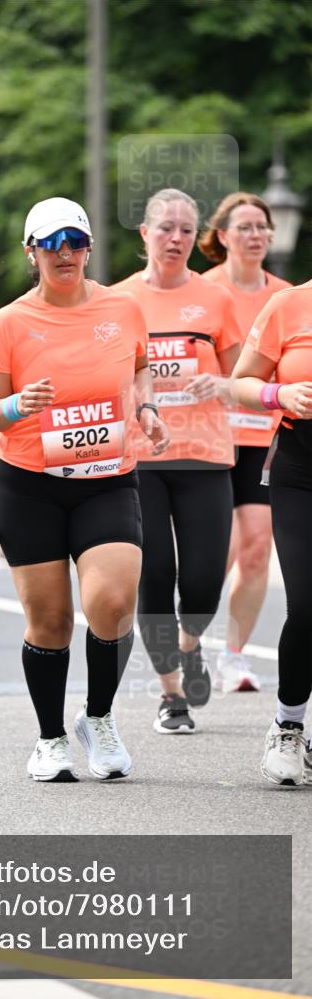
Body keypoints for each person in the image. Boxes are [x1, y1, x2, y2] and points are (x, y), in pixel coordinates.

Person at [0, 196, 169, 782]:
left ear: (88, 248)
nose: (65, 253)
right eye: (51, 243)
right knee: (52, 619)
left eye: (75, 242)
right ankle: (50, 739)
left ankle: (99, 719)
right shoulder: (9, 321)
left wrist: (148, 406)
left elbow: (138, 365)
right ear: (31, 253)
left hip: (106, 478)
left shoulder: (123, 307)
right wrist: (15, 405)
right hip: (26, 482)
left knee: (112, 603)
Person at [112, 189, 242, 735]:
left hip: (206, 455)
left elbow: (246, 379)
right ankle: (172, 696)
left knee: (206, 579)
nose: (176, 238)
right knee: (156, 577)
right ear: (144, 234)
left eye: (186, 230)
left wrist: (227, 384)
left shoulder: (215, 300)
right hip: (141, 458)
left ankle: (191, 648)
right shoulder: (116, 301)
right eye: (165, 227)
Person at [199, 192, 291, 693]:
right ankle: (186, 645)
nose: (255, 234)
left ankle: (233, 656)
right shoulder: (201, 290)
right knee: (218, 553)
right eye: (245, 226)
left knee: (257, 547)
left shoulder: (286, 296)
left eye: (263, 226)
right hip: (206, 439)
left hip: (262, 437)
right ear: (222, 236)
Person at [231, 279, 312, 786]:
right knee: (307, 604)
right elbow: (240, 382)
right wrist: (280, 392)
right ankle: (287, 724)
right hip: (302, 467)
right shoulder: (289, 304)